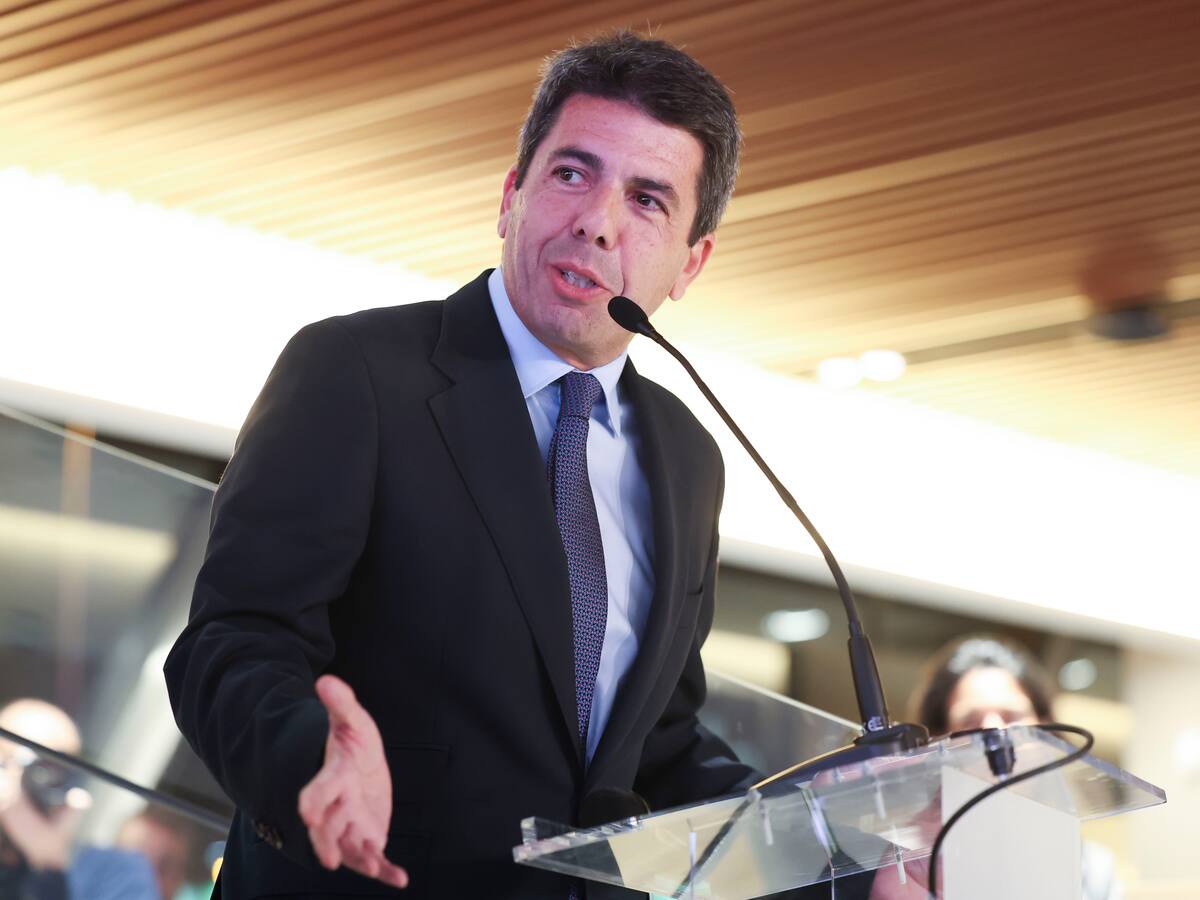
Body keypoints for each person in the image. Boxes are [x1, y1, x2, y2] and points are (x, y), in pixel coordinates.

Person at [164, 31, 886, 900]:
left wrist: (845, 859)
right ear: (512, 196)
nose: (597, 221)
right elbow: (234, 641)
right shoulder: (358, 372)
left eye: (648, 200)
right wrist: (310, 757)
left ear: (691, 261)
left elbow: (655, 748)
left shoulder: (688, 455)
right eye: (572, 173)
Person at [907, 636, 1124, 900]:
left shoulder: (1092, 869)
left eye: (1012, 717)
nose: (994, 731)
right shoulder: (911, 869)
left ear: (1046, 730)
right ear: (938, 740)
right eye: (971, 721)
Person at [0, 699, 158, 900]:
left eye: (60, 771)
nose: (49, 782)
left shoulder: (112, 875)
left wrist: (50, 865)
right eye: (40, 768)